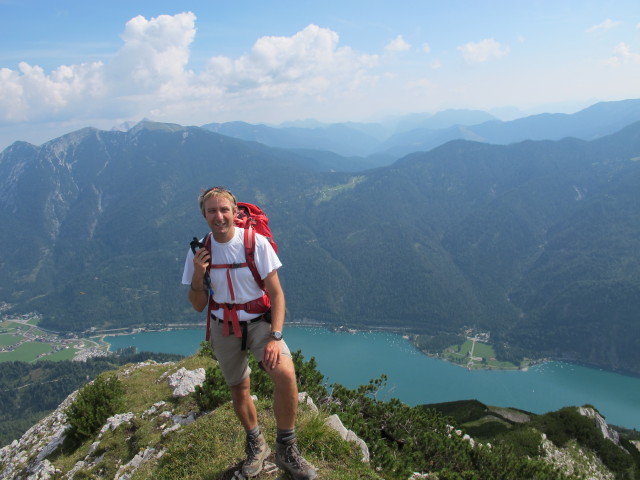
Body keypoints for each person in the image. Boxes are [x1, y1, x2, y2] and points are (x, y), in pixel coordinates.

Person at [182, 186, 317, 480]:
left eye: (224, 210)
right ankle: (256, 443)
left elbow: (277, 295)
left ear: (234, 211)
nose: (219, 216)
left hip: (260, 323)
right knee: (238, 388)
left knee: (285, 374)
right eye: (212, 211)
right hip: (223, 326)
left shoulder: (255, 243)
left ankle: (287, 447)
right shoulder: (199, 252)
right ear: (203, 215)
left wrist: (275, 337)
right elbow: (197, 305)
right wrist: (196, 273)